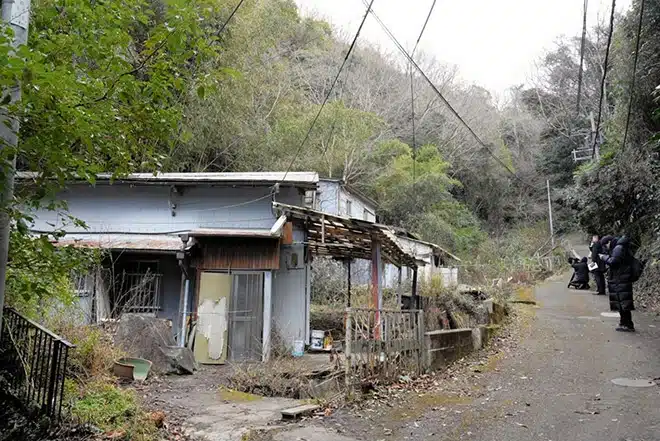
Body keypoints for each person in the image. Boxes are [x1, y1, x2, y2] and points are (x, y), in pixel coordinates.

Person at [600, 236, 635, 332]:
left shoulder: (618, 248)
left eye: (605, 245)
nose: (606, 247)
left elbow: (613, 261)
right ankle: (625, 323)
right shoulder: (622, 247)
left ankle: (627, 324)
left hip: (620, 278)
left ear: (609, 242)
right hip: (622, 277)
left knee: (622, 302)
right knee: (623, 302)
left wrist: (604, 257)